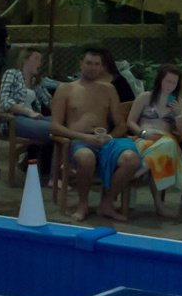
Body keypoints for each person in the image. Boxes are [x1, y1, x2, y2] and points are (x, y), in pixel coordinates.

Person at [53, 46, 140, 221]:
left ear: (102, 67)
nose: (92, 67)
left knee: (131, 159)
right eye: (88, 63)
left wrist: (109, 137)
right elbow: (54, 127)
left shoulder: (109, 89)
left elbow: (121, 125)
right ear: (81, 64)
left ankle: (106, 203)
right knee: (86, 157)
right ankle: (83, 204)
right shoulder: (65, 89)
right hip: (79, 139)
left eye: (96, 64)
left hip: (104, 140)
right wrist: (84, 137)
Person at [128, 62, 182, 215]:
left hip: (165, 140)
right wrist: (143, 133)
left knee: (167, 144)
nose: (170, 86)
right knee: (160, 155)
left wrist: (178, 114)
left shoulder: (178, 102)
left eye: (174, 83)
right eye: (167, 81)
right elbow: (130, 122)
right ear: (160, 80)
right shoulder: (145, 97)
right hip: (144, 139)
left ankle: (140, 171)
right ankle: (159, 204)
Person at [0, 46, 54, 143]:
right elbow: (4, 102)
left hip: (33, 118)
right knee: (54, 128)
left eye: (41, 60)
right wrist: (29, 113)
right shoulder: (12, 74)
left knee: (63, 123)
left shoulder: (35, 81)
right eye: (36, 59)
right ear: (25, 61)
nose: (40, 63)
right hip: (14, 119)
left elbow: (48, 101)